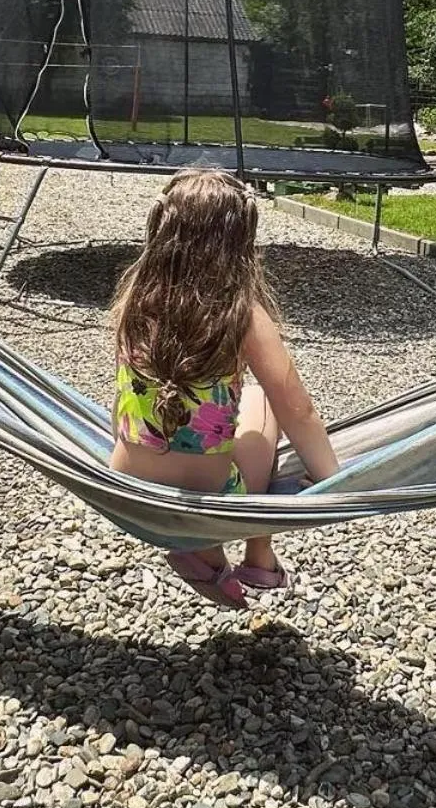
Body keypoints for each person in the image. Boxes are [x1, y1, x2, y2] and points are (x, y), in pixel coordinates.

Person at [110, 169, 341, 609]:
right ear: (238, 241)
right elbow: (298, 409)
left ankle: (205, 554)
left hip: (126, 483)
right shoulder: (240, 314)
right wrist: (335, 481)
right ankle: (258, 555)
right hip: (210, 498)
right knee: (261, 402)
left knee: (169, 421)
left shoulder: (133, 300)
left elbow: (122, 399)